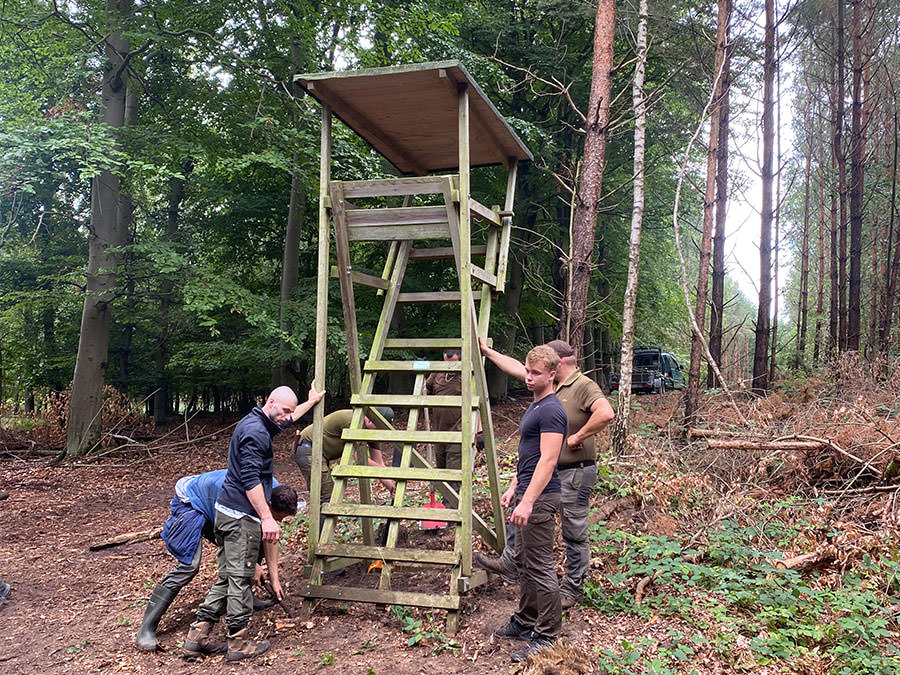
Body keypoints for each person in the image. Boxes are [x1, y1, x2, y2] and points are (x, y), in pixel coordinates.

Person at [183, 384, 324, 662]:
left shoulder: (260, 420)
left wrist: (311, 402)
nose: (287, 417)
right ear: (271, 401)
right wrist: (267, 518)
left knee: (228, 578)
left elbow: (288, 419)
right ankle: (238, 643)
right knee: (239, 580)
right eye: (285, 410)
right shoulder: (255, 433)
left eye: (289, 412)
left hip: (227, 513)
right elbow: (250, 480)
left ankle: (195, 639)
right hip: (239, 518)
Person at [477, 338, 614, 609]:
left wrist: (577, 437)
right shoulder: (547, 385)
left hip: (575, 471)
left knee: (573, 531)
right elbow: (516, 367)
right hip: (546, 473)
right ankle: (512, 562)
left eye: (535, 371)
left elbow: (606, 412)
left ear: (557, 365)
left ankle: (572, 590)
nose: (528, 375)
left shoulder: (583, 385)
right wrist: (487, 351)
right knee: (528, 515)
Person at [136, 470, 298, 652]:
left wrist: (274, 579)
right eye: (277, 517)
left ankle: (246, 596)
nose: (279, 521)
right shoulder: (235, 498)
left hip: (230, 511)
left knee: (254, 535)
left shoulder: (274, 490)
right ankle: (147, 628)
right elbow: (231, 540)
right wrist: (253, 565)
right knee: (189, 566)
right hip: (193, 503)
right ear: (268, 504)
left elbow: (270, 536)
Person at [491, 345, 567, 662]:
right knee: (525, 563)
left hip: (541, 496)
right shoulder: (535, 405)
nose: (529, 377)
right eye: (527, 370)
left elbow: (548, 460)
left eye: (536, 373)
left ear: (552, 374)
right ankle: (525, 621)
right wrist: (514, 489)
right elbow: (529, 456)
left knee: (540, 567)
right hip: (527, 493)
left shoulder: (551, 409)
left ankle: (547, 636)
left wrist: (529, 501)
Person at [292, 408, 397, 527]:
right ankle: (319, 539)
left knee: (327, 497)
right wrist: (384, 472)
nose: (380, 432)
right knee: (326, 496)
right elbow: (359, 458)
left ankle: (322, 535)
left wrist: (391, 486)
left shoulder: (373, 431)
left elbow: (379, 462)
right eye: (378, 428)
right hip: (307, 448)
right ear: (369, 421)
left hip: (321, 454)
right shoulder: (352, 421)